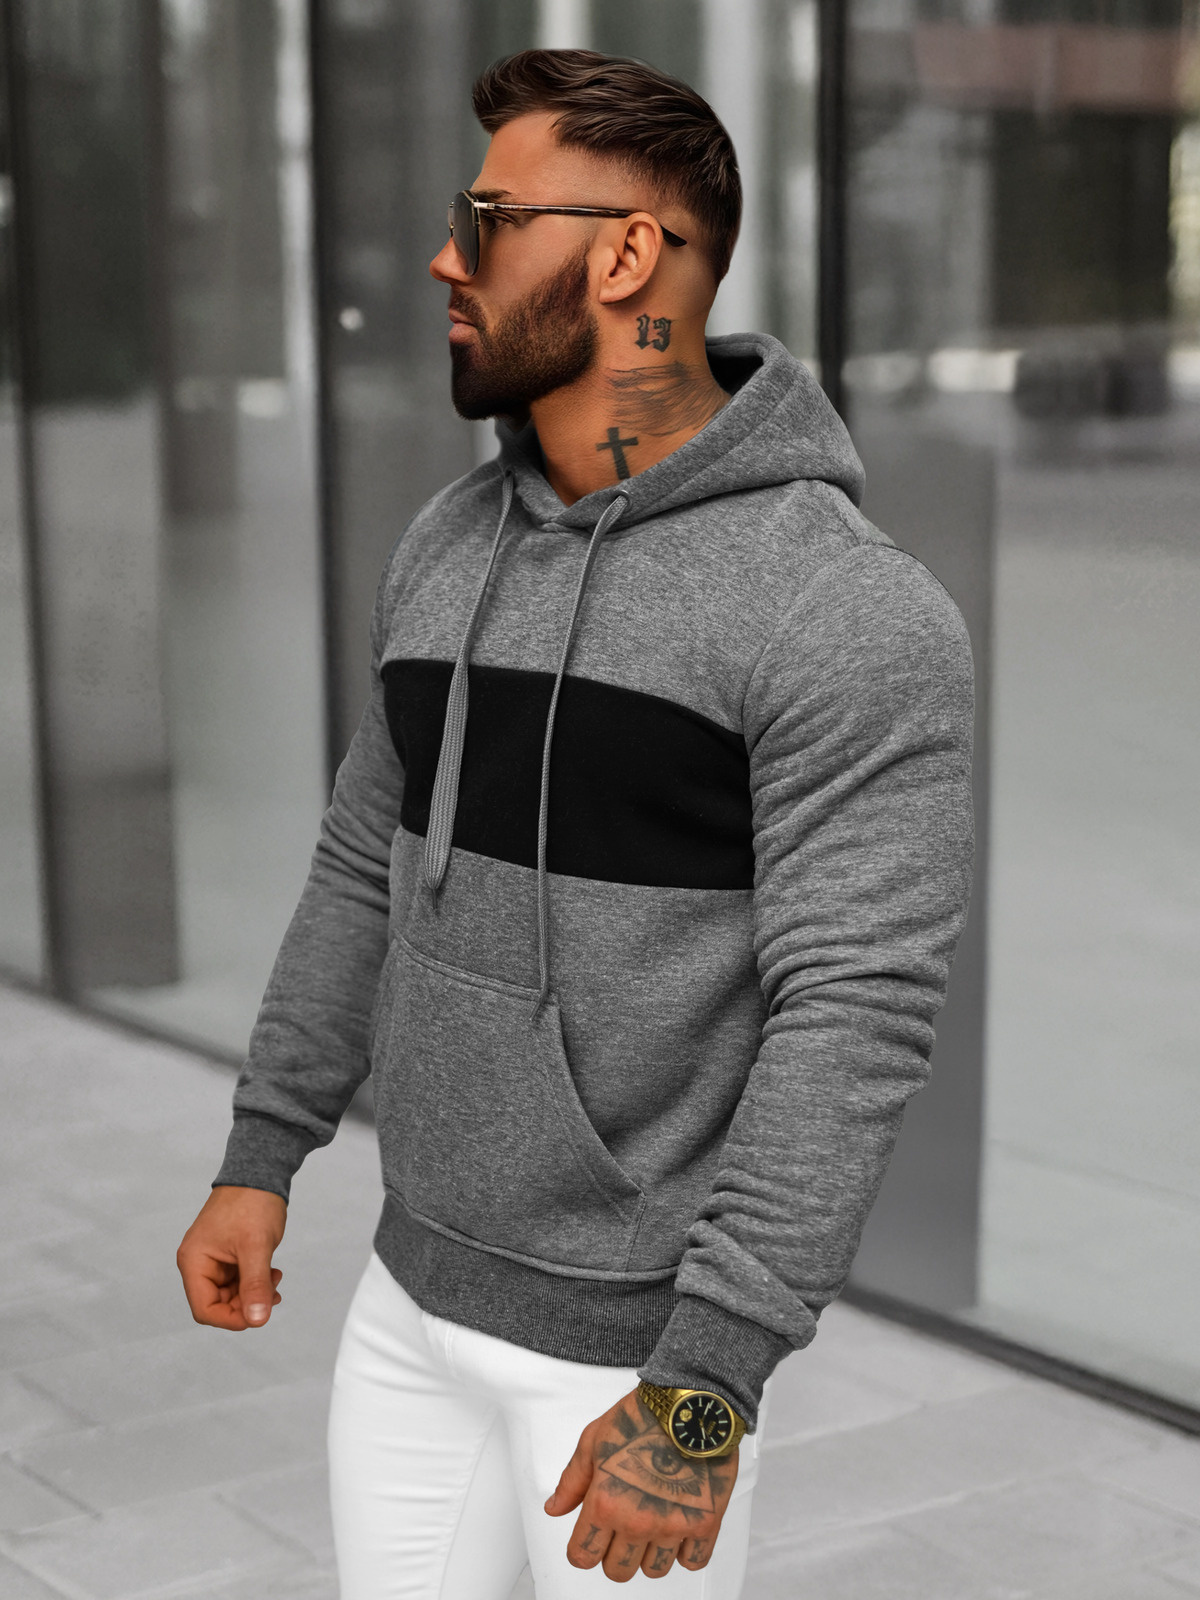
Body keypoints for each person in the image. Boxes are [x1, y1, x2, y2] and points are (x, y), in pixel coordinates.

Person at [176, 47, 974, 1599]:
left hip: (632, 1368)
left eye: (487, 222)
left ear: (625, 258)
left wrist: (703, 1393)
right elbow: (360, 866)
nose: (444, 260)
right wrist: (262, 1150)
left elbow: (855, 1016)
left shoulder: (841, 610)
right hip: (404, 1305)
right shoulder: (445, 540)